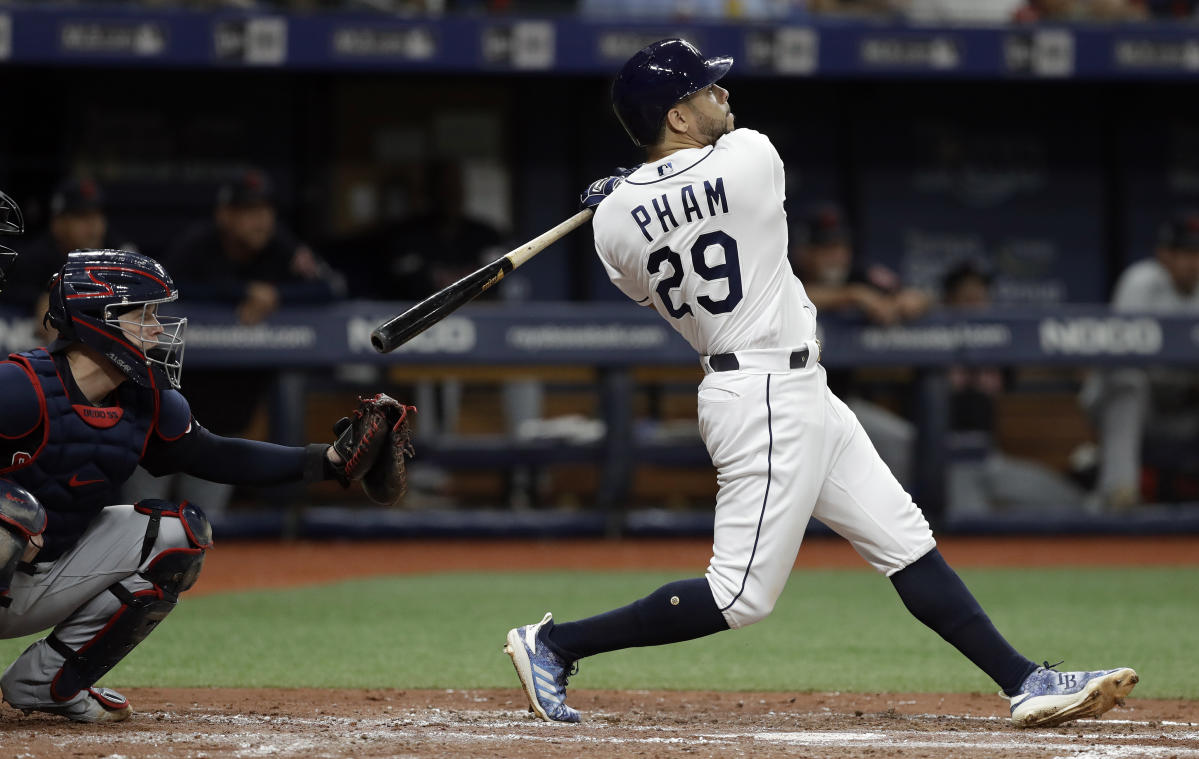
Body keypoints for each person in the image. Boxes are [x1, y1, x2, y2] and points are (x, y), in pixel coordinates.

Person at [503, 38, 1137, 728]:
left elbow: (646, 251)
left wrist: (622, 190)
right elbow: (709, 172)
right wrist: (636, 180)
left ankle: (1024, 679)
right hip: (766, 395)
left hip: (786, 390)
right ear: (677, 117)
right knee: (738, 595)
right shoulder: (752, 158)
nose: (723, 97)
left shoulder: (610, 227)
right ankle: (555, 643)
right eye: (706, 92)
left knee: (903, 538)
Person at [0, 245, 399, 723]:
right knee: (11, 510)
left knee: (179, 534)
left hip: (39, 581)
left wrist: (331, 461)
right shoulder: (18, 387)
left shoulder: (148, 402)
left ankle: (47, 682)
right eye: (142, 314)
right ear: (95, 320)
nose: (156, 328)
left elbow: (217, 454)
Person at [130, 168, 347, 516]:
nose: (260, 220)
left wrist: (276, 294)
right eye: (248, 211)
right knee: (139, 517)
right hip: (167, 410)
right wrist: (240, 292)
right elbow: (163, 287)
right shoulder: (199, 244)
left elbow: (331, 287)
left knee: (198, 527)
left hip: (224, 422)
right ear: (225, 215)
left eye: (265, 210)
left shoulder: (281, 246)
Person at [788, 202, 931, 488]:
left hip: (841, 403)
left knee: (904, 443)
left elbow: (918, 296)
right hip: (788, 405)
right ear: (806, 252)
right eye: (825, 249)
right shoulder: (786, 272)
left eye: (841, 248)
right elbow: (788, 295)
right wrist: (852, 296)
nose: (836, 257)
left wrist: (908, 301)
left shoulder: (860, 275)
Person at [939, 260, 1086, 518]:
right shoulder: (930, 341)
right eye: (968, 297)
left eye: (981, 296)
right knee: (969, 523)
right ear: (950, 300)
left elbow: (1040, 365)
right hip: (945, 463)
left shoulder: (1000, 347)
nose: (977, 303)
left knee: (1072, 502)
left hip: (991, 462)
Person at [1079, 210, 1199, 512]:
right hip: (1134, 407)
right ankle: (1119, 493)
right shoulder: (1140, 282)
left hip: (1185, 408)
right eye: (1186, 253)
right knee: (1128, 380)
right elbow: (1126, 354)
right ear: (1164, 255)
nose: (1194, 262)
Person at [3, 175, 139, 341]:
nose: (93, 225)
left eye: (97, 214)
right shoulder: (33, 259)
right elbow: (13, 293)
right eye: (81, 217)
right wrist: (41, 299)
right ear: (58, 224)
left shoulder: (118, 252)